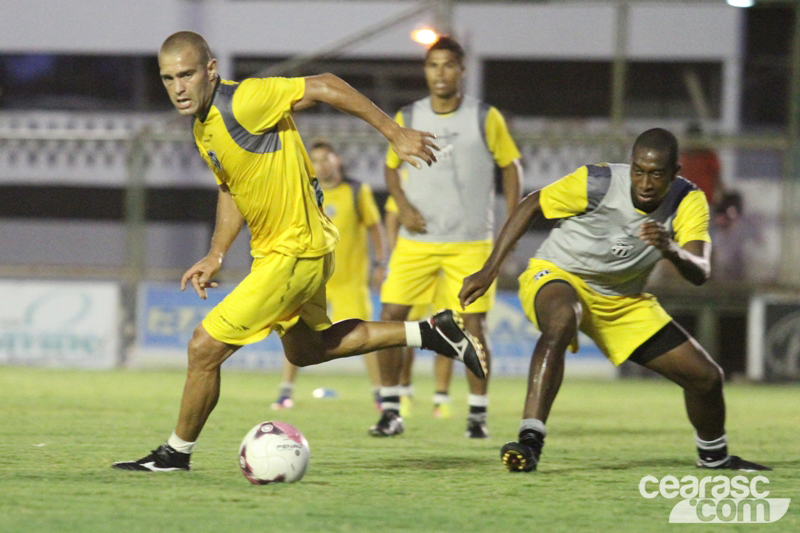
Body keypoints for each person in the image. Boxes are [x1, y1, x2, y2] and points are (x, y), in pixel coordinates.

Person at [113, 31, 486, 472]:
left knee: (203, 347)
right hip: (289, 252)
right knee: (306, 351)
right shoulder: (203, 126)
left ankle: (175, 453)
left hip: (294, 251)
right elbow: (231, 187)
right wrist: (216, 253)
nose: (178, 87)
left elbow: (326, 84)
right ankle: (430, 332)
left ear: (210, 70)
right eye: (168, 78)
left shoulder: (245, 101)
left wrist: (394, 132)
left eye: (187, 75)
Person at [459, 128, 770, 472]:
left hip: (622, 300)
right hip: (559, 274)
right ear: (630, 164)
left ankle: (714, 457)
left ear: (674, 173)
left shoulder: (688, 200)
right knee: (562, 318)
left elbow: (701, 271)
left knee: (706, 377)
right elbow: (532, 203)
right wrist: (489, 270)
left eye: (656, 174)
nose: (645, 183)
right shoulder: (598, 181)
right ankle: (529, 441)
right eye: (638, 171)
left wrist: (671, 249)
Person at [371, 36, 522, 439]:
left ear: (462, 71)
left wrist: (511, 221)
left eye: (449, 65)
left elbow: (511, 167)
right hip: (416, 241)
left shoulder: (484, 117)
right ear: (426, 71)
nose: (440, 73)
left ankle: (477, 416)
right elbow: (390, 167)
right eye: (433, 65)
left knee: (473, 324)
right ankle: (390, 410)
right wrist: (402, 203)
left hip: (470, 242)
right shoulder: (408, 115)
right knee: (390, 317)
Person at [271, 141, 388, 410]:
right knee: (295, 332)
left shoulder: (356, 191)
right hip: (313, 279)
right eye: (315, 160)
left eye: (325, 158)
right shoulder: (306, 191)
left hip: (350, 282)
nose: (321, 165)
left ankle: (381, 395)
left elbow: (375, 227)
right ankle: (285, 392)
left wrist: (381, 264)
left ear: (338, 160)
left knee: (365, 336)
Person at [679, 123, 723, 207]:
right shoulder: (683, 156)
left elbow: (716, 176)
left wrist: (720, 194)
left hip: (705, 198)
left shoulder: (708, 155)